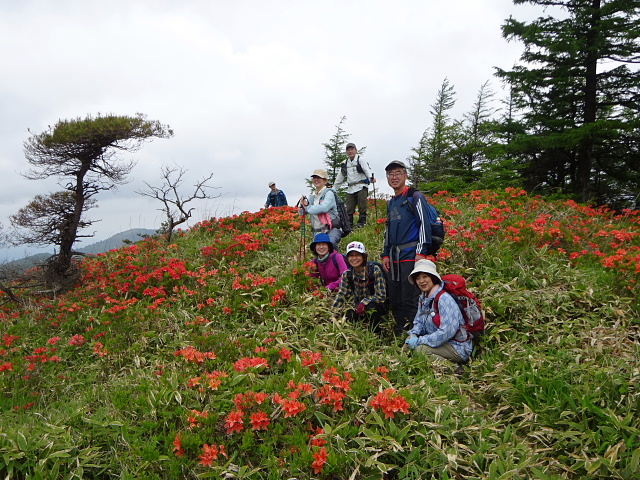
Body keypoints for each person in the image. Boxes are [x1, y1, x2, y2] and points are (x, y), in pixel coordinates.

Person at [381, 160, 437, 335]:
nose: (394, 177)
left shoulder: (415, 196)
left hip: (411, 256)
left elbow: (424, 226)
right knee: (396, 297)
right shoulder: (392, 202)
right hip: (394, 257)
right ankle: (400, 331)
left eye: (398, 173)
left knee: (411, 297)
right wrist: (385, 254)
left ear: (405, 175)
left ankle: (415, 333)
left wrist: (420, 253)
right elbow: (388, 230)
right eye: (390, 174)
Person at [403, 260, 473, 364]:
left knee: (421, 350)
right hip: (438, 342)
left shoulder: (444, 299)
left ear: (433, 277)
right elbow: (419, 322)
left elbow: (447, 332)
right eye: (418, 278)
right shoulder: (423, 298)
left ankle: (456, 370)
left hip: (456, 346)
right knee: (407, 345)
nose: (421, 281)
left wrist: (420, 340)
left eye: (425, 276)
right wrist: (413, 335)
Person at [333, 241, 387, 335]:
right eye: (351, 256)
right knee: (349, 314)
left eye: (357, 255)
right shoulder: (348, 274)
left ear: (363, 256)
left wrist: (364, 302)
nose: (354, 258)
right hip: (358, 307)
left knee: (371, 308)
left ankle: (376, 334)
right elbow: (342, 295)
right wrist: (333, 313)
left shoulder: (374, 270)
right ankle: (357, 334)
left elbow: (381, 295)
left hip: (376, 306)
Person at [333, 143, 375, 228]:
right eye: (348, 150)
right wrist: (334, 189)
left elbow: (366, 170)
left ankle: (362, 224)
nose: (350, 151)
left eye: (352, 149)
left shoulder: (361, 160)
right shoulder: (345, 163)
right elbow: (340, 177)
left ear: (356, 150)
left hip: (361, 185)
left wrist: (371, 178)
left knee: (362, 205)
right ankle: (349, 225)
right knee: (349, 207)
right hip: (351, 188)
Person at [299, 169, 342, 251]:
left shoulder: (329, 193)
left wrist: (307, 208)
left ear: (325, 181)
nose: (316, 180)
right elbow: (302, 213)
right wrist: (302, 206)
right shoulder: (313, 197)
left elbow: (323, 207)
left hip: (331, 230)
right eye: (314, 177)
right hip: (317, 232)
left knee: (330, 250)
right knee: (321, 256)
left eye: (319, 177)